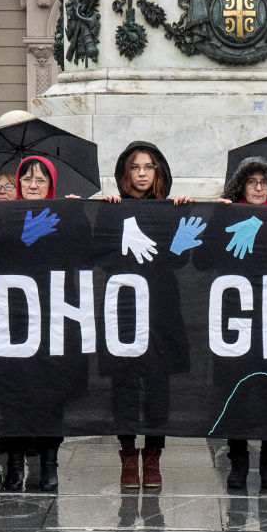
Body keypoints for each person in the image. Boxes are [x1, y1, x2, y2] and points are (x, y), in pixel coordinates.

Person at [108, 142, 176, 490]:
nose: (143, 173)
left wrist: (179, 226)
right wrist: (111, 219)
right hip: (122, 312)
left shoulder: (169, 211)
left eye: (149, 167)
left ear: (158, 171)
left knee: (157, 389)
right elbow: (97, 255)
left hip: (161, 313)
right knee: (123, 386)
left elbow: (179, 261)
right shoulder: (112, 210)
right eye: (136, 167)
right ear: (125, 173)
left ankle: (152, 456)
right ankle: (127, 455)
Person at [0, 155, 64, 492]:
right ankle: (15, 462)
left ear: (51, 185)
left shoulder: (64, 216)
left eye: (40, 180)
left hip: (53, 319)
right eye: (26, 180)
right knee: (13, 391)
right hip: (14, 318)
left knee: (51, 391)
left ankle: (49, 463)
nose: (33, 185)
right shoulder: (3, 215)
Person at [222, 157, 267, 491]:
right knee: (236, 390)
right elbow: (205, 262)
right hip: (236, 318)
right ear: (241, 186)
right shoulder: (228, 214)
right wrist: (220, 218)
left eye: (264, 181)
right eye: (252, 182)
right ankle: (237, 458)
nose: (259, 187)